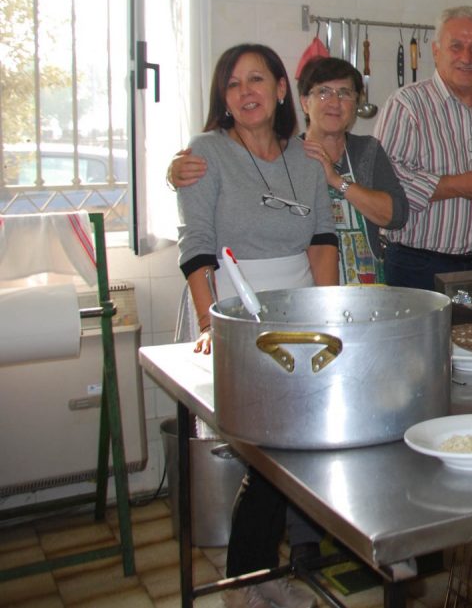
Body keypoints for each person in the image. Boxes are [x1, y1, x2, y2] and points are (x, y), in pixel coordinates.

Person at [177, 44, 335, 608]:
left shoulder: (306, 155)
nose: (245, 92)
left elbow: (321, 240)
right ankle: (249, 582)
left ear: (279, 90)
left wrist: (329, 312)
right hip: (232, 309)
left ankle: (260, 578)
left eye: (256, 80)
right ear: (224, 98)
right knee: (266, 454)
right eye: (233, 84)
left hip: (298, 313)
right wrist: (209, 320)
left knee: (291, 453)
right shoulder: (205, 154)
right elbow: (195, 245)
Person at [168, 57, 408, 285]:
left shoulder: (367, 150)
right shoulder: (288, 156)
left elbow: (396, 216)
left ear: (356, 103)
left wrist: (336, 181)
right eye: (323, 92)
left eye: (345, 93)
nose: (334, 102)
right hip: (302, 288)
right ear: (305, 102)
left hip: (365, 287)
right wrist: (173, 175)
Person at [372, 6, 472, 289]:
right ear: (436, 51)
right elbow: (384, 180)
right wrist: (455, 185)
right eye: (456, 47)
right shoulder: (407, 104)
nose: (466, 57)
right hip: (419, 264)